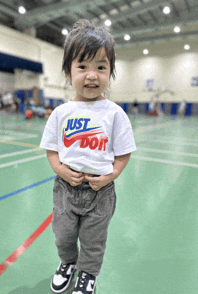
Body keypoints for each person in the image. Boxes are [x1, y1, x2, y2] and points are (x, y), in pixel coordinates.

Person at [40, 19, 137, 294]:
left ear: (110, 73)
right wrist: (60, 170)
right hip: (65, 190)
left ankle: (87, 274)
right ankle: (68, 262)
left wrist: (113, 174)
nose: (92, 75)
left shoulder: (115, 114)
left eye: (101, 67)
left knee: (94, 240)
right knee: (63, 235)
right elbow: (51, 150)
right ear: (69, 73)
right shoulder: (60, 113)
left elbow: (123, 153)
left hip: (100, 192)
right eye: (82, 66)